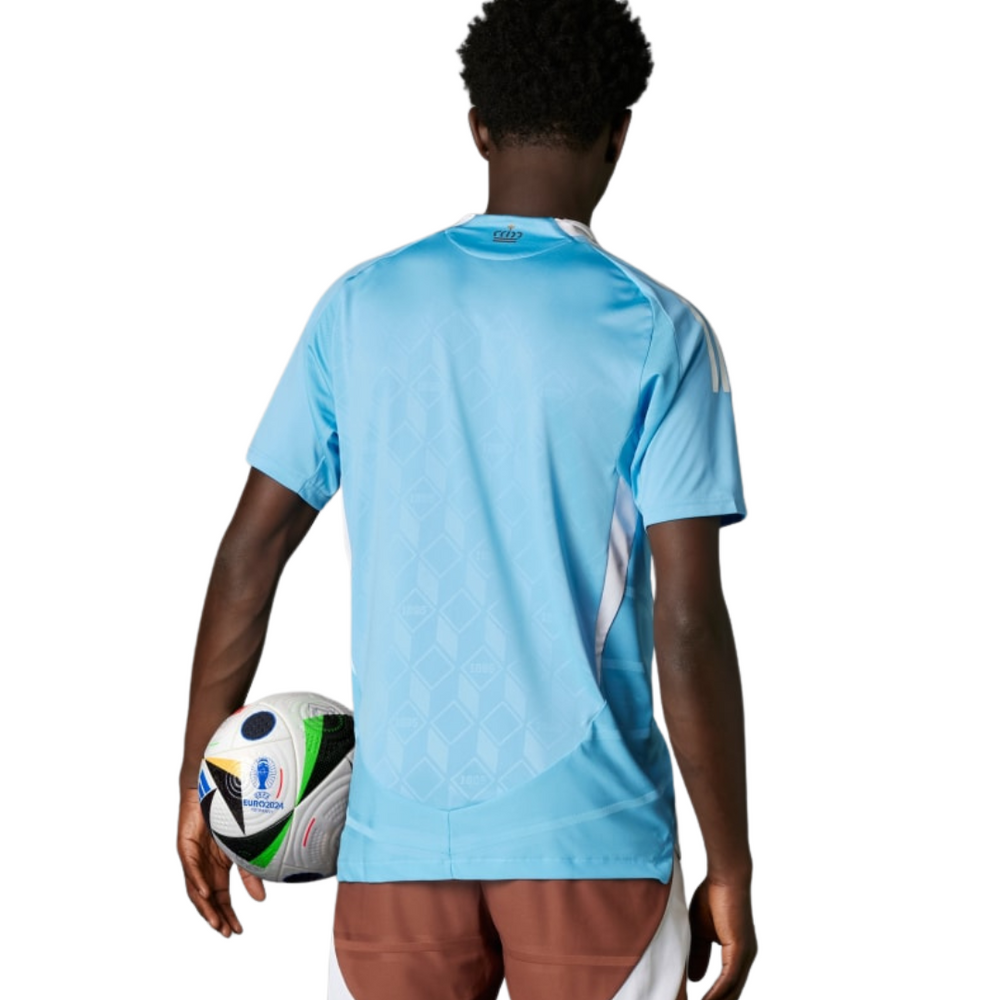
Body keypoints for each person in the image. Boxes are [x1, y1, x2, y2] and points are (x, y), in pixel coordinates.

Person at [177, 1, 757, 998]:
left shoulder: (358, 307)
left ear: (478, 128)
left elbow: (250, 551)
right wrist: (731, 862)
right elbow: (689, 619)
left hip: (393, 842)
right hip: (591, 836)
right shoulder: (661, 331)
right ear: (619, 134)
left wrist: (206, 778)